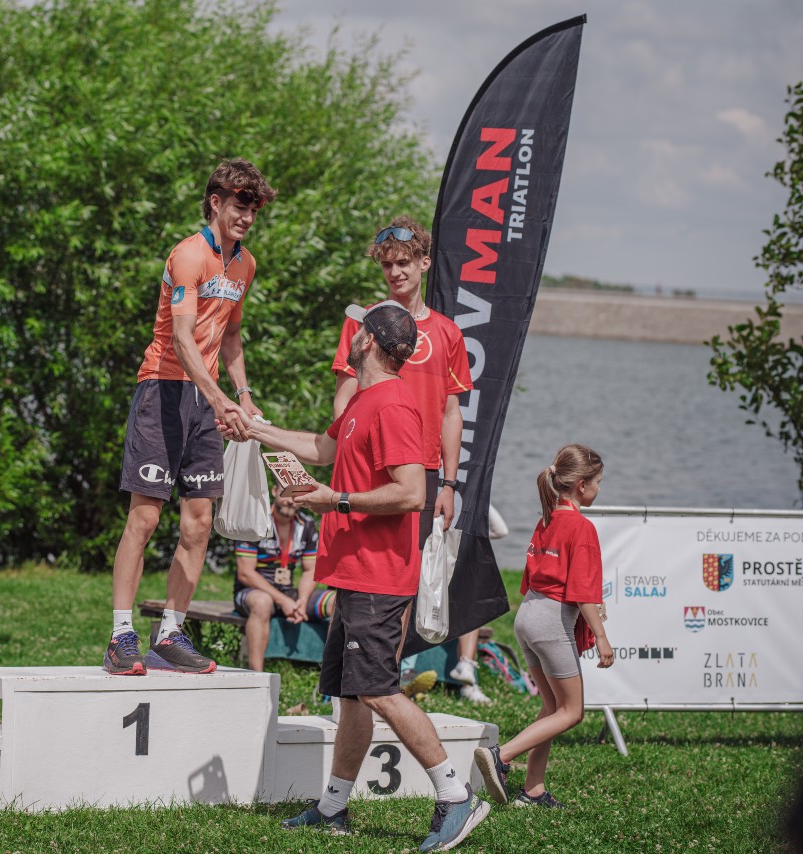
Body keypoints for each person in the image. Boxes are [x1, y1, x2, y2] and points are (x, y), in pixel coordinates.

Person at [224, 302, 489, 852]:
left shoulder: (392, 404)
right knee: (351, 695)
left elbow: (412, 493)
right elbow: (321, 449)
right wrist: (257, 430)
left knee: (377, 690)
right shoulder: (361, 402)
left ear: (367, 341)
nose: (350, 333)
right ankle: (333, 808)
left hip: (379, 576)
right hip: (353, 575)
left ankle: (455, 793)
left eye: (358, 328)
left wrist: (337, 500)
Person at [103, 158, 276, 676]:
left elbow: (231, 334)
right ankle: (120, 636)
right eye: (240, 205)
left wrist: (242, 395)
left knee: (199, 522)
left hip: (207, 397)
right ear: (215, 202)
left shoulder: (245, 264)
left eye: (255, 209)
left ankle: (170, 634)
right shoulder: (188, 255)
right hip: (162, 389)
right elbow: (181, 339)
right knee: (145, 517)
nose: (247, 216)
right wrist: (218, 399)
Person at [331, 216, 491, 704]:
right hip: (369, 468)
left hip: (420, 475)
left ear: (424, 263)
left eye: (404, 262)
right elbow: (344, 396)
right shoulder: (362, 324)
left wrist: (449, 483)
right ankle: (349, 688)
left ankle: (385, 682)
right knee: (354, 576)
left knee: (403, 584)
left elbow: (450, 413)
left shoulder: (447, 333)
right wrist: (346, 449)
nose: (395, 272)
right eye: (387, 265)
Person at [474, 444, 613, 808]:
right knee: (572, 711)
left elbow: (533, 576)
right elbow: (583, 591)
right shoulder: (581, 527)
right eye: (598, 482)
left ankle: (533, 791)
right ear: (581, 485)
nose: (599, 489)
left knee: (552, 706)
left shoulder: (546, 520)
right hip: (551, 621)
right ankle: (501, 757)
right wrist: (601, 637)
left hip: (527, 615)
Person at [233, 485, 334, 672]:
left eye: (297, 495)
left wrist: (302, 600)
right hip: (252, 592)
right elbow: (245, 573)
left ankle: (332, 676)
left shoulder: (307, 525)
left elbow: (310, 570)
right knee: (262, 602)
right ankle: (256, 677)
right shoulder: (254, 520)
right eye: (286, 493)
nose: (291, 500)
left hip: (289, 592)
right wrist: (282, 600)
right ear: (274, 491)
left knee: (337, 601)